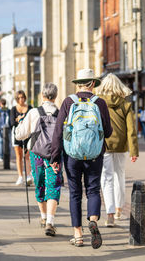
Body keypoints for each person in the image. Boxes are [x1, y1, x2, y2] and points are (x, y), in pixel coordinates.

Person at [51, 68, 112, 248]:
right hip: (95, 154)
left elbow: (58, 132)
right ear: (93, 83)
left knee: (75, 193)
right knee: (93, 190)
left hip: (72, 156)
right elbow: (108, 132)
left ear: (78, 84)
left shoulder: (68, 102)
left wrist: (55, 156)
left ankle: (78, 234)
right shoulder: (100, 103)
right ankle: (93, 219)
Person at [15, 83, 62, 236]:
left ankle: (43, 217)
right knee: (53, 185)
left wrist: (20, 123)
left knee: (40, 184)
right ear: (55, 96)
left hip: (37, 154)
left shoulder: (34, 112)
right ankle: (50, 221)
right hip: (55, 155)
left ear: (42, 95)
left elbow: (19, 134)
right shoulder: (61, 113)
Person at [95, 73, 139, 227]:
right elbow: (131, 130)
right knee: (119, 176)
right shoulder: (126, 105)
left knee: (106, 179)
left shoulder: (99, 104)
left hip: (104, 145)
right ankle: (119, 209)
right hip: (121, 146)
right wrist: (134, 151)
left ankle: (110, 212)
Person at [10, 91, 33, 186]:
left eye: (23, 97)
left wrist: (23, 119)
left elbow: (33, 120)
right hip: (17, 134)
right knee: (19, 156)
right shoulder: (13, 109)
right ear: (16, 99)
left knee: (27, 156)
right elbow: (11, 122)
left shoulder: (30, 108)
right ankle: (20, 176)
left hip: (27, 134)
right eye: (19, 98)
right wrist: (18, 120)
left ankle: (28, 176)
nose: (21, 99)